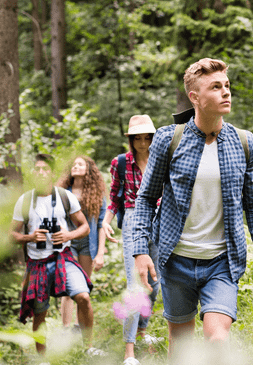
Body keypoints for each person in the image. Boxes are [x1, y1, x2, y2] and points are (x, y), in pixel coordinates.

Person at [132, 58, 253, 359]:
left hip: (222, 262)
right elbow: (146, 198)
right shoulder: (168, 139)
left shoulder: (244, 143)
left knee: (217, 341)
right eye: (216, 87)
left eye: (227, 85)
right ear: (195, 98)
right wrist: (140, 250)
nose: (226, 92)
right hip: (176, 260)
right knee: (182, 346)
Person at [10, 154, 94, 355]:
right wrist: (30, 237)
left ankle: (89, 348)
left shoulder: (65, 197)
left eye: (45, 169)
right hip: (37, 263)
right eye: (37, 169)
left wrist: (68, 235)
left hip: (62, 258)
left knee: (83, 297)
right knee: (40, 313)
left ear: (52, 173)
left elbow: (85, 227)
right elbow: (11, 234)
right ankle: (43, 358)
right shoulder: (24, 201)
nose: (41, 173)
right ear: (32, 173)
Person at [102, 115, 161, 365]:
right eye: (138, 138)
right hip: (133, 220)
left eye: (147, 137)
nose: (143, 143)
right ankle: (129, 351)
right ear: (131, 139)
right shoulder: (121, 163)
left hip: (159, 219)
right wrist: (106, 220)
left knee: (155, 283)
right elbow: (115, 196)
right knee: (135, 285)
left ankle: (142, 330)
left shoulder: (160, 159)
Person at [57, 155, 107, 334]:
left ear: (88, 169)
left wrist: (100, 253)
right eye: (73, 163)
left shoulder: (96, 194)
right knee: (66, 286)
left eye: (80, 164)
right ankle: (65, 329)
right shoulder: (62, 191)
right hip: (67, 244)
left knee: (82, 286)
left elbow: (102, 224)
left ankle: (78, 328)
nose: (75, 166)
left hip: (88, 244)